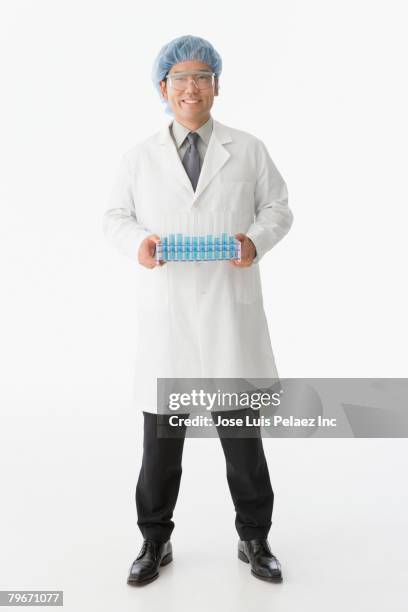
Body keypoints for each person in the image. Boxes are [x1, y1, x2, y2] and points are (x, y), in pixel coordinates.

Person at [103, 34, 293, 586]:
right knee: (161, 443)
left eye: (202, 77)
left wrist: (254, 241)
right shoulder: (139, 157)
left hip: (229, 313)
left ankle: (254, 537)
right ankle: (154, 539)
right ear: (163, 88)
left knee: (242, 440)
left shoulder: (248, 149)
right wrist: (137, 243)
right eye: (180, 78)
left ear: (216, 86)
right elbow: (115, 215)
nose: (192, 88)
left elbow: (278, 207)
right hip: (170, 316)